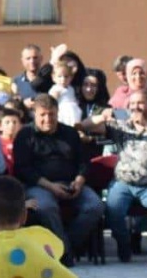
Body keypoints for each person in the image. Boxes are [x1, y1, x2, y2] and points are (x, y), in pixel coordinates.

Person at [14, 96, 103, 266]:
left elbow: (84, 162)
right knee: (46, 207)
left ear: (57, 113)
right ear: (34, 114)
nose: (48, 119)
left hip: (71, 183)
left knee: (95, 206)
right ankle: (65, 254)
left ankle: (67, 247)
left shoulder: (70, 133)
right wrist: (51, 187)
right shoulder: (25, 135)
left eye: (52, 114)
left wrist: (79, 182)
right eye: (43, 115)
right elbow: (23, 169)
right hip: (40, 185)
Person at [99, 91, 147, 269]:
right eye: (132, 103)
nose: (136, 107)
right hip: (123, 183)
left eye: (140, 103)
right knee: (112, 207)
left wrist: (145, 124)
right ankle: (124, 244)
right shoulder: (121, 125)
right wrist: (101, 116)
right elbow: (84, 126)